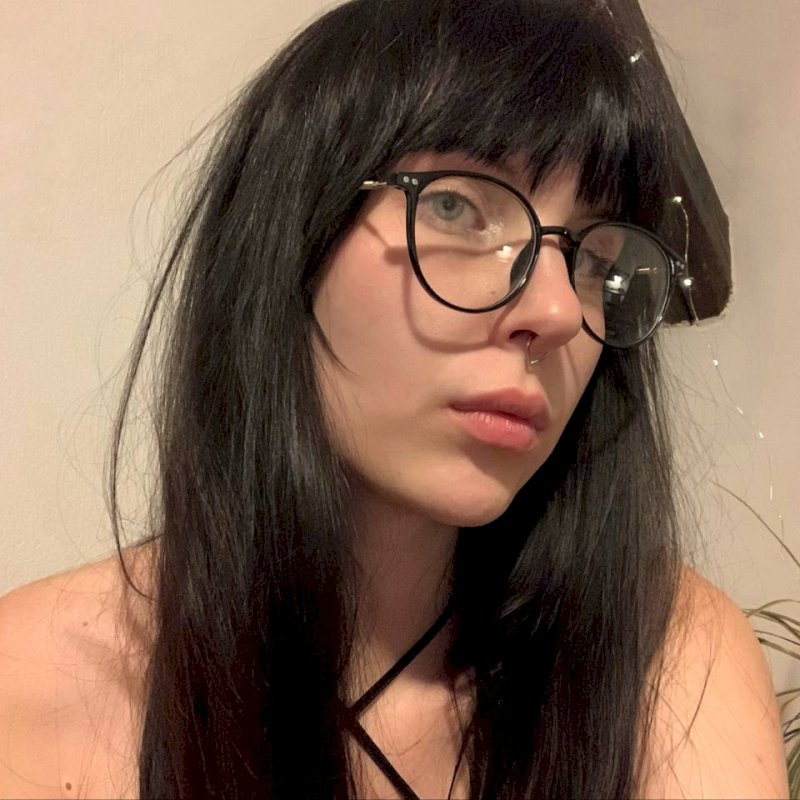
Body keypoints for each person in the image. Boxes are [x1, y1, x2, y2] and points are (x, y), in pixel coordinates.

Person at [0, 0, 789, 798]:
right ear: (286, 243)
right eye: (456, 207)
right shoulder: (29, 690)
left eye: (596, 258)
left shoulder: (669, 659)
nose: (555, 310)